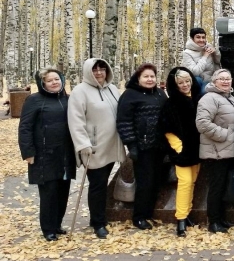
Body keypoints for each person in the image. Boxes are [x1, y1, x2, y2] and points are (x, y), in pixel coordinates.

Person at [68, 58, 126, 239]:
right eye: (95, 70)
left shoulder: (112, 89)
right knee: (98, 185)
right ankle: (98, 222)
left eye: (102, 69)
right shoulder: (80, 92)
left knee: (103, 182)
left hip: (111, 145)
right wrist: (83, 143)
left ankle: (99, 217)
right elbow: (75, 120)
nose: (99, 73)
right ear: (87, 72)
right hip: (94, 148)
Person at [18, 67, 76, 241]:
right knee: (49, 192)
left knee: (63, 190)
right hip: (44, 154)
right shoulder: (34, 100)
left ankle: (57, 224)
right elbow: (25, 127)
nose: (54, 83)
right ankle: (48, 228)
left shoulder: (68, 99)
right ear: (43, 84)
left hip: (65, 153)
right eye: (50, 80)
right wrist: (28, 152)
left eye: (57, 79)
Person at [116, 63, 167, 231]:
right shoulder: (130, 95)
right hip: (142, 147)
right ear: (138, 78)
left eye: (152, 76)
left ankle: (149, 214)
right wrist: (132, 145)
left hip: (160, 147)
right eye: (146, 76)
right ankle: (139, 217)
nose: (150, 79)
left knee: (156, 181)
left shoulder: (160, 94)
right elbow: (124, 122)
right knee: (144, 183)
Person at [159, 67, 202, 237]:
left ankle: (188, 213)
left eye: (187, 81)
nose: (185, 85)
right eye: (181, 83)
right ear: (175, 85)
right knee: (185, 182)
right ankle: (181, 219)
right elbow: (166, 128)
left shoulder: (198, 99)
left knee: (193, 182)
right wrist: (179, 147)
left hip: (198, 149)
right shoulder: (171, 103)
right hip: (183, 151)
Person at [196, 69, 234, 233]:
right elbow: (202, 123)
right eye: (221, 79)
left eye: (228, 79)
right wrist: (225, 135)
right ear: (214, 82)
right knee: (216, 187)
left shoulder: (229, 98)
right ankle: (213, 222)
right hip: (216, 151)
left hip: (226, 150)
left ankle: (221, 219)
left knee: (222, 186)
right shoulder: (209, 98)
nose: (225, 81)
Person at [182, 27, 221, 95]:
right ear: (192, 39)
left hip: (212, 79)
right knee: (204, 91)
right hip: (199, 81)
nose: (201, 40)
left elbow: (218, 62)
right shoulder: (187, 53)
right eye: (198, 37)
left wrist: (215, 52)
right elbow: (195, 72)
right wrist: (205, 56)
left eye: (203, 37)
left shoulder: (208, 47)